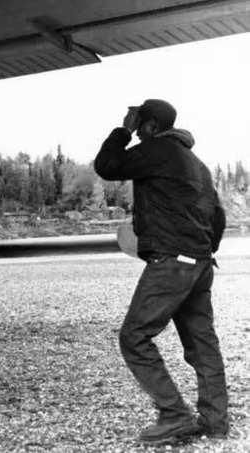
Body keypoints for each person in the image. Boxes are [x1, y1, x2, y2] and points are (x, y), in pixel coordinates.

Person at [94, 99, 228, 444]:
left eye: (140, 126)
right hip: (199, 264)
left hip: (172, 262)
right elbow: (218, 217)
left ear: (152, 125)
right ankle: (215, 421)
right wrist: (202, 250)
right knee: (203, 344)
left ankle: (174, 415)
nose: (137, 133)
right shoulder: (196, 163)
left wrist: (122, 129)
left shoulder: (157, 149)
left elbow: (107, 165)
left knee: (134, 337)